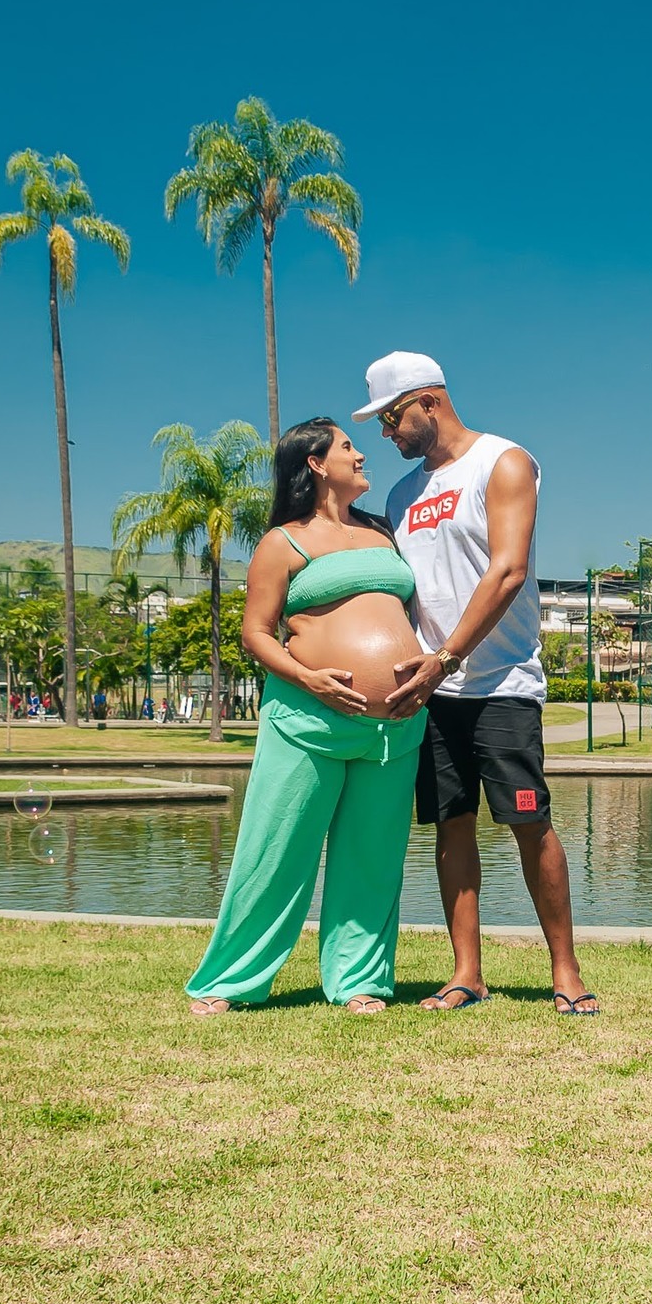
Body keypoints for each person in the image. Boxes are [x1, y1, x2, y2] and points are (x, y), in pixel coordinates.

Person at [352, 350, 598, 1015]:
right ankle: (468, 973)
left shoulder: (505, 461)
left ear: (428, 401)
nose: (386, 433)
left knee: (530, 822)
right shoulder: (403, 496)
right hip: (434, 694)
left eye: (392, 417)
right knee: (450, 825)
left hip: (503, 683)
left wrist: (447, 656)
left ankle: (567, 972)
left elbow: (508, 571)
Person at [186, 416, 427, 1018]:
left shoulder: (385, 533)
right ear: (317, 463)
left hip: (391, 728)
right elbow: (256, 633)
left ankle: (360, 981)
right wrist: (308, 678)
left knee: (372, 858)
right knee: (275, 851)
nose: (362, 455)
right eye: (349, 447)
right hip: (305, 719)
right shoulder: (282, 542)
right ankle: (232, 979)